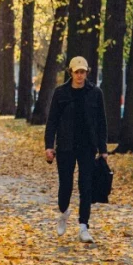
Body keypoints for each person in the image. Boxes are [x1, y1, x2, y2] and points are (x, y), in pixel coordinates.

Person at [44, 56, 108, 243]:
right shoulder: (60, 93)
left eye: (83, 72)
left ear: (87, 73)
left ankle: (83, 226)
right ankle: (63, 213)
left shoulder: (95, 93)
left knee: (86, 185)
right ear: (70, 73)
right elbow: (52, 121)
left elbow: (101, 122)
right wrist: (49, 145)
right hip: (65, 146)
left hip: (88, 145)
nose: (80, 75)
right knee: (66, 184)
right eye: (77, 72)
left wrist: (103, 149)